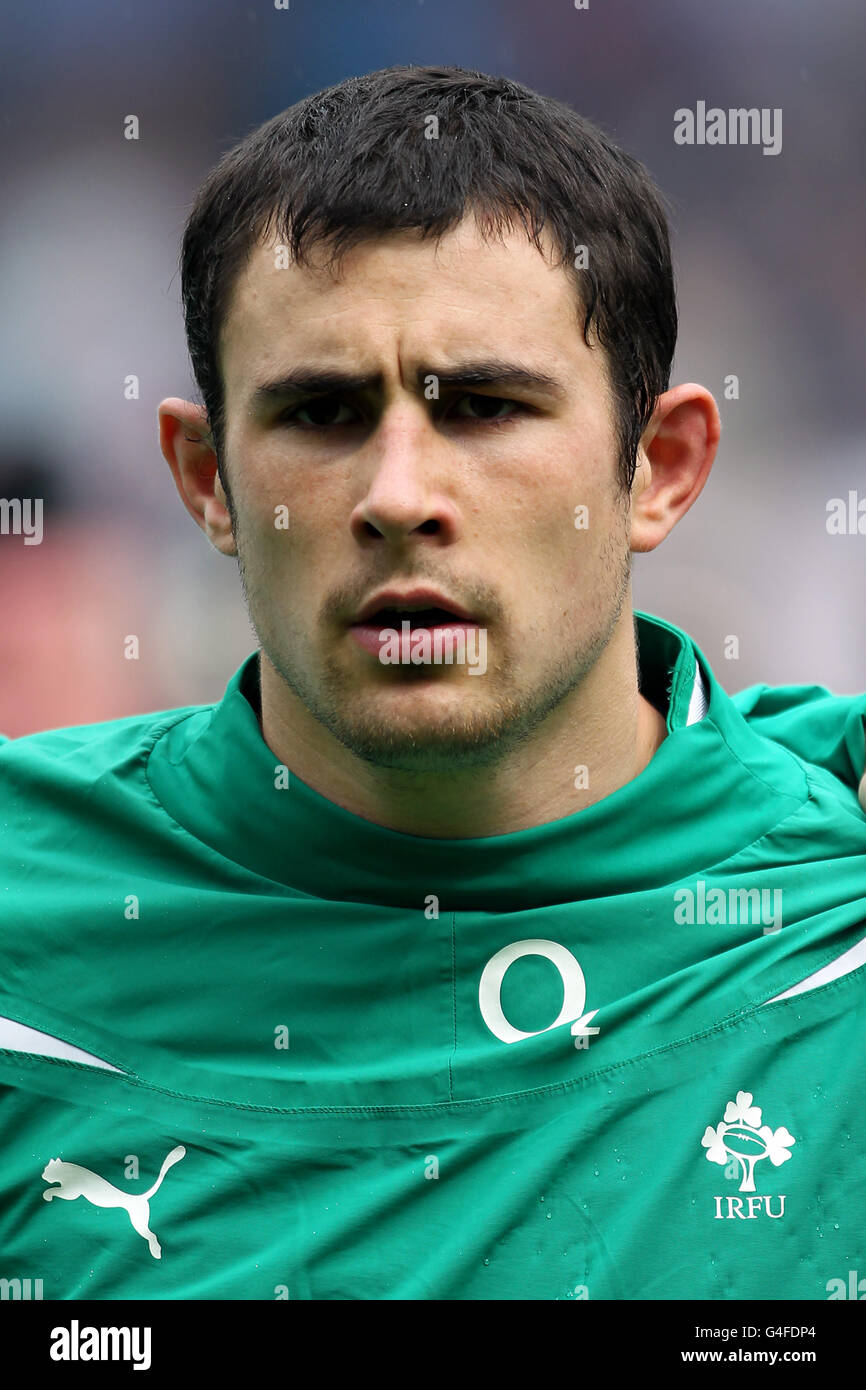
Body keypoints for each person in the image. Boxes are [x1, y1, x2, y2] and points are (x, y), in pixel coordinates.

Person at [1, 65, 864, 1302]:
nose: (398, 494)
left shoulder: (831, 912)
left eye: (484, 405)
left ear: (657, 468)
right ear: (205, 481)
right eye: (321, 412)